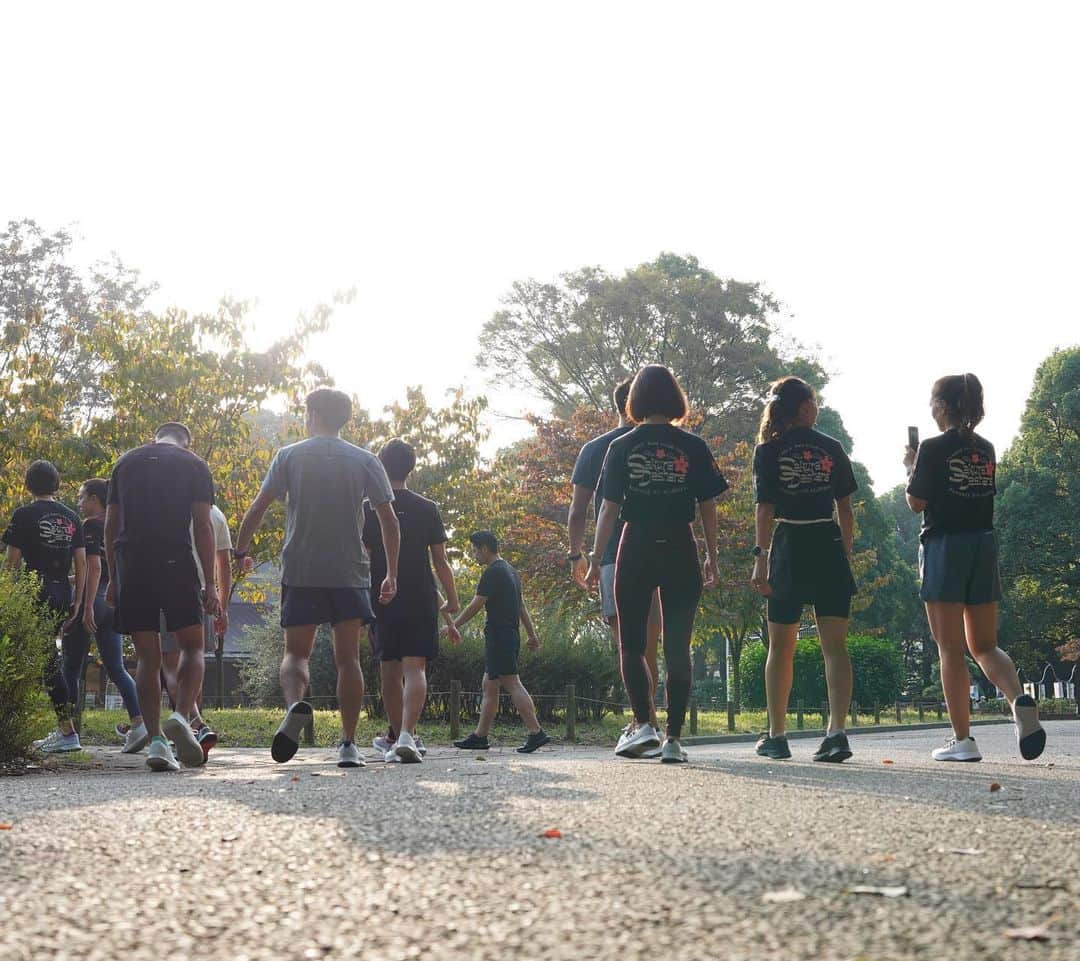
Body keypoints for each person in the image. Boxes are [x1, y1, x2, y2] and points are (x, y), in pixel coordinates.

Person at [235, 388, 400, 768]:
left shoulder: (289, 456)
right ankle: (347, 744)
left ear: (311, 414)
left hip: (302, 568)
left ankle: (295, 706)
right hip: (350, 571)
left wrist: (241, 552)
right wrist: (390, 572)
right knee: (348, 661)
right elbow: (389, 520)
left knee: (295, 654)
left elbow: (258, 507)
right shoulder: (366, 460)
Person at [586, 365, 727, 764]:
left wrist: (596, 560)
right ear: (675, 399)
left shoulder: (621, 446)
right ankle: (674, 740)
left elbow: (609, 508)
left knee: (630, 644)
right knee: (678, 647)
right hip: (681, 545)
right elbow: (708, 507)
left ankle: (644, 724)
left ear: (635, 402)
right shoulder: (694, 446)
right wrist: (712, 556)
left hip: (636, 545)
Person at [904, 373, 1044, 762]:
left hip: (944, 547)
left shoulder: (931, 448)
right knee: (984, 645)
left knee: (949, 648)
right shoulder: (986, 449)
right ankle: (1019, 701)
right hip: (983, 547)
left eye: (933, 402)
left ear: (944, 407)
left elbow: (917, 502)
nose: (930, 410)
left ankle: (963, 740)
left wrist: (911, 468)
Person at [750, 377, 858, 762]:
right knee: (835, 647)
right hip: (826, 544)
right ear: (803, 407)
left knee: (781, 647)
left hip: (788, 547)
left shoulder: (768, 450)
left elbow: (764, 509)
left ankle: (777, 735)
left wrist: (760, 558)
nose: (818, 406)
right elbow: (845, 509)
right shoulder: (831, 447)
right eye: (814, 400)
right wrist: (844, 551)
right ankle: (837, 733)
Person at [104, 423, 220, 772]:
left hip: (132, 563)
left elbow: (111, 524)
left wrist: (113, 576)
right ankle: (183, 717)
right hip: (175, 560)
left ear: (154, 436)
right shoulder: (194, 464)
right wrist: (210, 584)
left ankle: (156, 740)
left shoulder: (125, 463)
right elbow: (203, 526)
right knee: (192, 646)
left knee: (147, 657)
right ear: (187, 441)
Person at [569, 378, 664, 756]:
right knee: (650, 647)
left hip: (611, 555)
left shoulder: (595, 449)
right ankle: (651, 723)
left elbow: (578, 510)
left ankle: (645, 723)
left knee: (629, 647)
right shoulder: (665, 445)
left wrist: (577, 555)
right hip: (662, 550)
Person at [362, 439, 461, 764]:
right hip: (419, 593)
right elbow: (440, 560)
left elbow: (365, 556)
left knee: (388, 668)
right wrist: (452, 597)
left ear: (379, 465)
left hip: (382, 594)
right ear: (411, 468)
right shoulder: (426, 507)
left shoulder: (367, 508)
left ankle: (397, 738)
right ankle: (407, 733)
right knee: (415, 667)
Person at [3, 460, 86, 753]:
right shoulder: (72, 516)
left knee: (47, 662)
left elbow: (12, 561)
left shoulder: (24, 515)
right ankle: (64, 729)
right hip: (62, 593)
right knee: (47, 658)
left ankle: (67, 731)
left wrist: (8, 596)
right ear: (56, 484)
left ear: (28, 484)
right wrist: (77, 599)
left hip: (33, 593)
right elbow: (82, 561)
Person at [61, 478, 146, 753]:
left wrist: (84, 606)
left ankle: (67, 733)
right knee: (117, 667)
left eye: (82, 496)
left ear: (96, 499)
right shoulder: (118, 525)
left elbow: (94, 567)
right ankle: (139, 722)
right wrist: (72, 579)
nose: (79, 501)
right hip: (112, 602)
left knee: (70, 668)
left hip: (93, 601)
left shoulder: (90, 526)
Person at [452, 531, 551, 754]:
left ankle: (536, 733)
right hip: (508, 635)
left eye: (475, 550)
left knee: (512, 683)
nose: (474, 554)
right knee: (489, 686)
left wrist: (454, 625)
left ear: (485, 548)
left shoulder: (493, 572)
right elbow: (522, 607)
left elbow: (476, 604)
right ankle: (480, 736)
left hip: (500, 636)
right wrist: (532, 635)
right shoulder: (510, 571)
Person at [158, 502, 232, 760]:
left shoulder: (167, 506)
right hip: (205, 594)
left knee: (170, 665)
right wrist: (223, 605)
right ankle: (193, 730)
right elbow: (224, 564)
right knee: (194, 660)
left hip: (169, 588)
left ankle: (195, 725)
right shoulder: (216, 514)